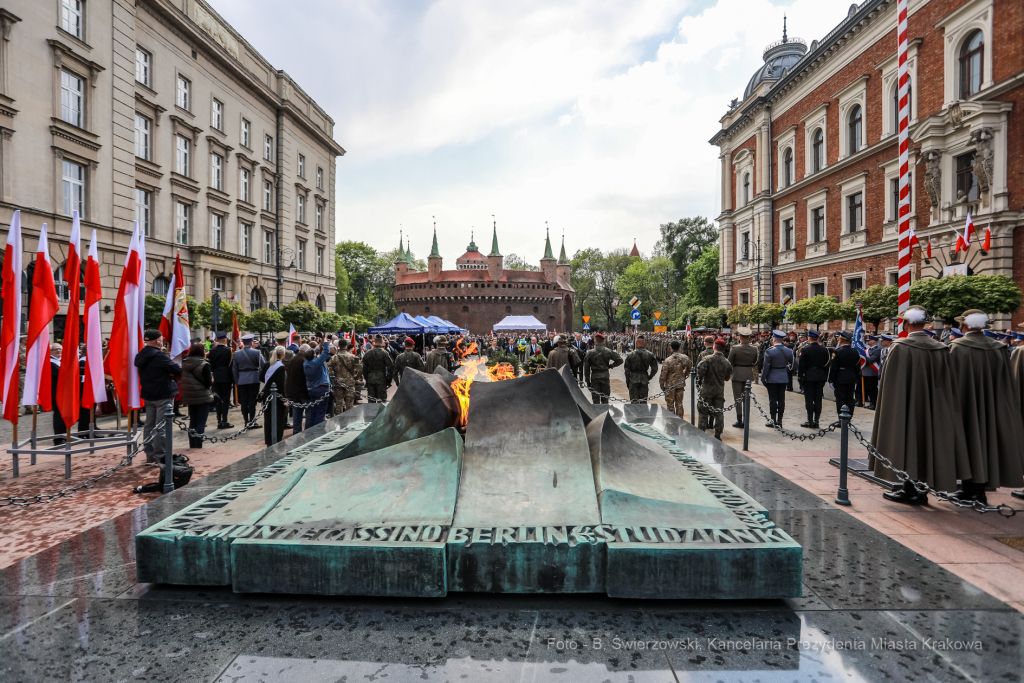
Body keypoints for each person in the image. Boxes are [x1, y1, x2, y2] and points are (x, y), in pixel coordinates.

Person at [870, 305, 971, 505]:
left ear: (906, 323)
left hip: (906, 406)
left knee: (908, 442)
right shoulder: (941, 347)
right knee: (928, 443)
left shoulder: (899, 347)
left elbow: (890, 385)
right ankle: (921, 488)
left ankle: (911, 490)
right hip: (935, 407)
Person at [947, 309, 1024, 504]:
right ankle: (980, 491)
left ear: (965, 326)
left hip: (964, 406)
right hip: (992, 407)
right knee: (986, 445)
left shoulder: (957, 347)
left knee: (967, 444)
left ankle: (968, 490)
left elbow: (950, 381)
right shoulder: (997, 348)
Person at [135, 329, 182, 464]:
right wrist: (170, 373)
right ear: (157, 341)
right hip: (163, 394)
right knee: (161, 426)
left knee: (149, 425)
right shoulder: (159, 356)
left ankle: (149, 455)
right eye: (162, 338)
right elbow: (177, 370)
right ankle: (160, 456)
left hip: (149, 394)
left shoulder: (141, 354)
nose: (163, 340)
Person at [695, 339, 732, 440]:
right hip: (719, 391)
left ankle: (701, 433)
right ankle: (718, 434)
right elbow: (727, 378)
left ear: (714, 346)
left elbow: (699, 374)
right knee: (719, 414)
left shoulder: (706, 359)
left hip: (706, 390)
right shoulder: (727, 362)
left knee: (703, 413)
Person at [180, 342, 214, 449]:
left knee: (193, 422)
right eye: (204, 349)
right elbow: (208, 382)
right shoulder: (204, 364)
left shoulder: (185, 363)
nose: (205, 350)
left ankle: (192, 444)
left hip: (190, 395)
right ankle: (198, 445)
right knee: (201, 422)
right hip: (202, 395)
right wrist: (212, 380)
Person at [759, 330, 793, 428]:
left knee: (773, 399)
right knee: (781, 399)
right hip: (783, 377)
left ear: (773, 339)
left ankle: (773, 420)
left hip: (772, 377)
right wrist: (786, 370)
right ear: (782, 340)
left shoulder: (769, 351)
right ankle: (780, 420)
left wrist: (763, 378)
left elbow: (766, 367)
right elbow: (793, 365)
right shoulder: (788, 350)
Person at [727, 327, 759, 428]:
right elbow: (755, 362)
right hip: (748, 374)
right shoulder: (754, 348)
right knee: (746, 399)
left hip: (737, 373)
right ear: (749, 337)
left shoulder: (735, 348)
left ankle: (739, 420)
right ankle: (746, 420)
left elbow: (729, 362)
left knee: (737, 398)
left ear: (739, 337)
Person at [798, 330, 830, 428]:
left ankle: (810, 420)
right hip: (820, 376)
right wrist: (824, 376)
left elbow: (801, 366)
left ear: (809, 338)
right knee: (818, 399)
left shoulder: (805, 350)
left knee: (809, 399)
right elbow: (827, 365)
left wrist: (800, 377)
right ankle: (816, 421)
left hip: (809, 376)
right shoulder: (825, 350)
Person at [232, 334, 264, 428]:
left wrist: (237, 380)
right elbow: (262, 365)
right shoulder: (257, 352)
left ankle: (246, 421)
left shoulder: (236, 353)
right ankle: (252, 421)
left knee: (244, 401)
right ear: (251, 342)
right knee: (252, 401)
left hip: (242, 379)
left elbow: (234, 369)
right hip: (254, 379)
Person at [827, 331, 861, 418]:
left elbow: (834, 367)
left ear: (840, 340)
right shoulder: (855, 352)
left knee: (840, 398)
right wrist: (858, 378)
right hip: (852, 377)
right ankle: (849, 417)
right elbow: (857, 367)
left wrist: (831, 379)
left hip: (840, 377)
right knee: (850, 398)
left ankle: (841, 418)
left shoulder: (837, 352)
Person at [259, 346, 288, 445]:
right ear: (283, 355)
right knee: (279, 420)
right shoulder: (281, 367)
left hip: (267, 395)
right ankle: (277, 440)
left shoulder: (267, 364)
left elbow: (261, 378)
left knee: (268, 420)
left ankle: (268, 441)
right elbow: (280, 385)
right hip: (277, 397)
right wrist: (284, 399)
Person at [583, 332, 622, 404]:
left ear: (595, 340)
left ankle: (597, 414)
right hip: (605, 376)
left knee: (596, 400)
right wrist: (611, 366)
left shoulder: (590, 353)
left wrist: (587, 381)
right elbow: (620, 360)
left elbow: (586, 368)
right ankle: (606, 413)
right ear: (603, 341)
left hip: (595, 377)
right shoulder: (608, 351)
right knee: (605, 399)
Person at [303, 341, 334, 427]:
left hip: (311, 389)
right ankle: (317, 430)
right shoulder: (316, 362)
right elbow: (326, 352)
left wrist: (321, 343)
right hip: (321, 388)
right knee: (320, 412)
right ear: (314, 355)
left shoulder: (306, 363)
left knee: (313, 411)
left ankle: (311, 430)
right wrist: (326, 342)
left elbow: (314, 352)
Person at [659, 340, 692, 419]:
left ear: (671, 348)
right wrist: (685, 374)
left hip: (670, 386)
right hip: (680, 384)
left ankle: (671, 421)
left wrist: (662, 385)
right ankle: (680, 420)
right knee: (679, 404)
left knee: (670, 405)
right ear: (679, 348)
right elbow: (690, 367)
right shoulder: (685, 358)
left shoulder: (668, 360)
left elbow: (663, 374)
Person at [329, 337, 362, 413]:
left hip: (338, 383)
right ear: (346, 346)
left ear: (338, 346)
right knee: (349, 404)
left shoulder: (333, 358)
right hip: (350, 383)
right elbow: (360, 369)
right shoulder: (353, 357)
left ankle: (338, 421)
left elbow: (329, 371)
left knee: (338, 403)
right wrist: (356, 377)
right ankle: (348, 421)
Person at [207, 332, 233, 429]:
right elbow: (231, 365)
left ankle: (218, 421)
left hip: (216, 377)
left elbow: (210, 365)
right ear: (225, 339)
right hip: (226, 377)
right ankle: (224, 420)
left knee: (218, 399)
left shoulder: (212, 351)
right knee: (226, 399)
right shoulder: (229, 350)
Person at [623, 335, 658, 403]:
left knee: (633, 402)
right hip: (644, 379)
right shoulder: (649, 354)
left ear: (636, 342)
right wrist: (649, 377)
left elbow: (627, 370)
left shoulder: (630, 355)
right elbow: (655, 368)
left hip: (633, 379)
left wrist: (628, 381)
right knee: (643, 402)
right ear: (644, 342)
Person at [286, 343, 310, 432]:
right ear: (306, 351)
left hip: (293, 390)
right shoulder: (303, 360)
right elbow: (305, 375)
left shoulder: (294, 358)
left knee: (297, 411)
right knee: (309, 411)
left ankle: (296, 431)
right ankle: (308, 430)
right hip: (302, 390)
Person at [361, 335, 394, 402]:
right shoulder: (384, 353)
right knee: (381, 400)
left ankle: (372, 412)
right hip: (381, 378)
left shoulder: (368, 353)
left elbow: (364, 368)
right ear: (382, 342)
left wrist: (367, 378)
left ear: (374, 341)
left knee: (371, 400)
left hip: (370, 378)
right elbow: (390, 367)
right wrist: (389, 379)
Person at [861, 335, 881, 409]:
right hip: (866, 372)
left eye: (869, 340)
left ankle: (874, 404)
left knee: (873, 389)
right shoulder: (867, 350)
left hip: (872, 373)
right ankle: (871, 403)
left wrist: (863, 357)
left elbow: (871, 360)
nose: (868, 341)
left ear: (873, 341)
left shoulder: (877, 350)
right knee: (868, 389)